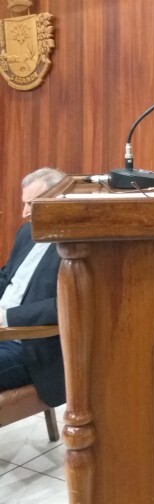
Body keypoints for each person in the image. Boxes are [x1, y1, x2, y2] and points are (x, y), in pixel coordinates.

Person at [0, 167, 67, 408]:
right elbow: (7, 276)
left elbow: (66, 304)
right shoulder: (27, 231)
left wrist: (5, 317)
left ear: (57, 200)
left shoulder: (78, 246)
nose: (24, 213)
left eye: (31, 204)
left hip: (30, 348)